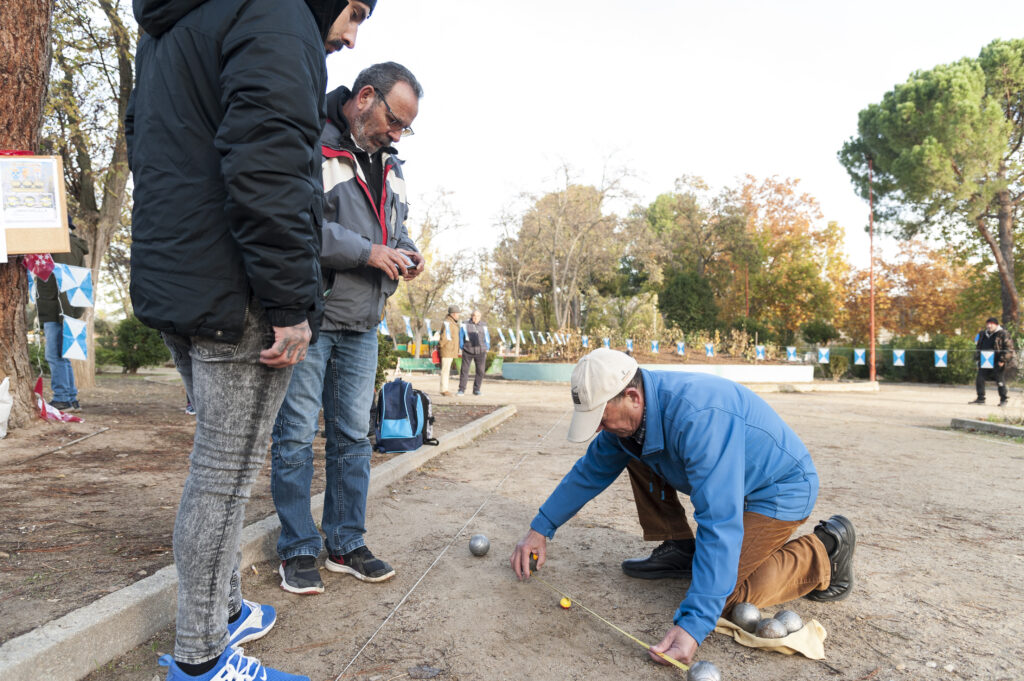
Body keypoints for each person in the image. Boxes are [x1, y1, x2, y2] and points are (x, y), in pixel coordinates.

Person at [127, 1, 373, 679]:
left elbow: (143, 140)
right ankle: (202, 658)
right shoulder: (278, 15)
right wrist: (292, 303)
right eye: (355, 11)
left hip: (179, 278)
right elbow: (271, 169)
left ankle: (227, 607)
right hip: (238, 291)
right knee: (223, 477)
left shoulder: (169, 26)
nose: (351, 37)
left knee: (221, 463)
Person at [510, 348, 856, 667]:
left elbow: (720, 523)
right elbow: (590, 471)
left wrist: (693, 624)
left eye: (601, 418)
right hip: (735, 484)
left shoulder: (700, 420)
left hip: (776, 491)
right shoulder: (635, 413)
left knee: (726, 597)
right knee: (625, 447)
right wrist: (541, 528)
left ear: (632, 396)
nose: (598, 429)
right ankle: (680, 547)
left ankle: (824, 550)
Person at [271, 62, 425, 596]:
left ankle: (345, 541)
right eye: (394, 121)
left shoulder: (393, 164)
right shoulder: (311, 141)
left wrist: (407, 250)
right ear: (365, 97)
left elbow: (396, 226)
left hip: (364, 321)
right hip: (311, 317)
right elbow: (296, 223)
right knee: (293, 437)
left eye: (406, 127)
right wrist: (368, 251)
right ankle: (296, 548)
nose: (398, 134)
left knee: (353, 437)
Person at [39, 218, 88, 412]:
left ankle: (62, 398)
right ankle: (69, 397)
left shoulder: (62, 247)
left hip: (57, 310)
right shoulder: (68, 245)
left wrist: (65, 314)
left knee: (54, 355)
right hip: (61, 309)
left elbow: (66, 282)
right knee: (62, 355)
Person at [970, 316, 1014, 406]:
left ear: (996, 325)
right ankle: (980, 398)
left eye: (991, 324)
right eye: (988, 324)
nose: (989, 326)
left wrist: (1002, 360)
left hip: (998, 361)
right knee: (980, 379)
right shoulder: (982, 333)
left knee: (999, 380)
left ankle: (1003, 399)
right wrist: (978, 359)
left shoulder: (1003, 333)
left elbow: (1009, 348)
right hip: (985, 360)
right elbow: (978, 347)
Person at [457, 309, 490, 396]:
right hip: (468, 350)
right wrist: (462, 346)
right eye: (474, 316)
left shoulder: (484, 325)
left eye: (477, 316)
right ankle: (461, 389)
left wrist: (487, 347)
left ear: (480, 317)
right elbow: (461, 336)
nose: (475, 318)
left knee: (480, 371)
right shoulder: (465, 324)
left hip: (481, 351)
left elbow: (487, 337)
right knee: (464, 370)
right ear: (471, 316)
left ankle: (476, 390)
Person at [438, 305, 460, 396]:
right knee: (445, 370)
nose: (458, 316)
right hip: (447, 350)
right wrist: (440, 346)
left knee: (446, 370)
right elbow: (444, 337)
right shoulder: (448, 323)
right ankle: (444, 389)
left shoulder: (452, 322)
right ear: (454, 314)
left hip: (450, 350)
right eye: (458, 314)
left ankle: (445, 388)